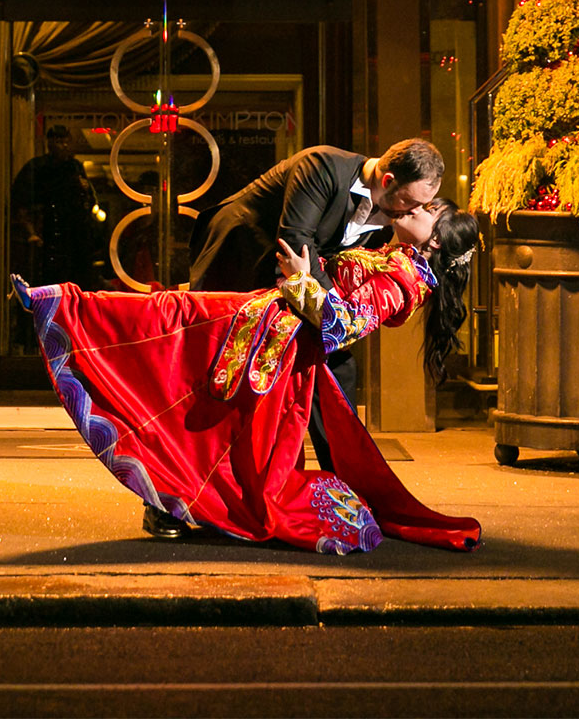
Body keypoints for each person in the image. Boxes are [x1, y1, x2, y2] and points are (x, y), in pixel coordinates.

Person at [12, 199, 482, 554]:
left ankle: (64, 305)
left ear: (435, 240)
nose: (416, 206)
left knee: (170, 329)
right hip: (263, 328)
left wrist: (301, 276)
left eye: (428, 209)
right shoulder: (392, 255)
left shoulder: (404, 280)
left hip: (275, 345)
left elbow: (341, 325)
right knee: (171, 333)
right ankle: (63, 305)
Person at [178, 138, 445, 535]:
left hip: (299, 290)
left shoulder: (389, 218)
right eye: (408, 204)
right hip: (243, 262)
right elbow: (295, 241)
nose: (412, 213)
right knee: (221, 390)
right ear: (387, 179)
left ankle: (348, 494)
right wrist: (334, 311)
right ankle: (174, 503)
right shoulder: (321, 165)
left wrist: (336, 313)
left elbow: (328, 267)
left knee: (336, 372)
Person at [9, 124, 102, 290]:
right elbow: (21, 201)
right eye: (59, 141)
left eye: (67, 141)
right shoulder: (38, 167)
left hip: (73, 235)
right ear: (49, 143)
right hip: (47, 233)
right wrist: (31, 232)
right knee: (48, 282)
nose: (64, 146)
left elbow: (87, 197)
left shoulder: (75, 167)